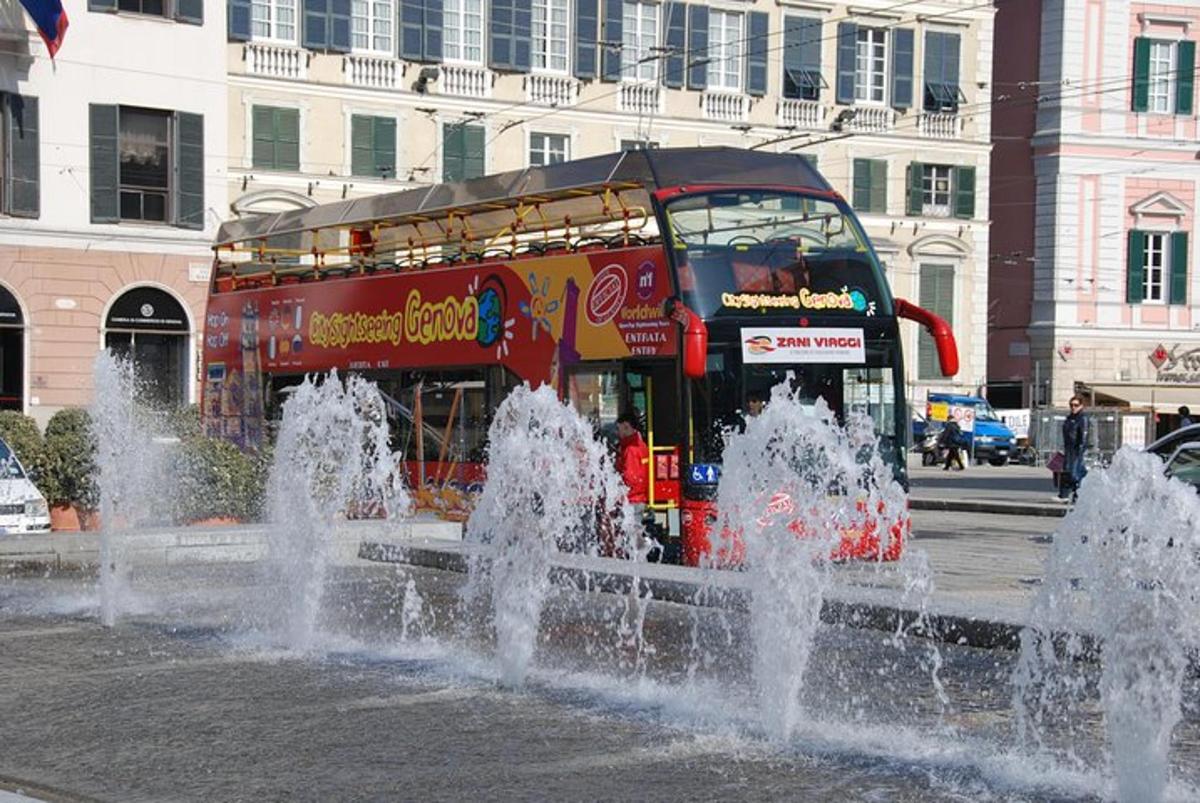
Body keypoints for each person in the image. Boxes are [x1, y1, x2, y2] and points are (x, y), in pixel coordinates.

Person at [1059, 395, 1090, 503]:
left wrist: (1081, 448)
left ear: (1081, 406)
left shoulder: (1082, 418)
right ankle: (1071, 494)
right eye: (1071, 405)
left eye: (1076, 405)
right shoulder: (1069, 418)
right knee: (1070, 471)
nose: (1073, 407)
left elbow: (1084, 434)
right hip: (1069, 448)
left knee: (1074, 473)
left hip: (1077, 449)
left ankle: (1078, 494)